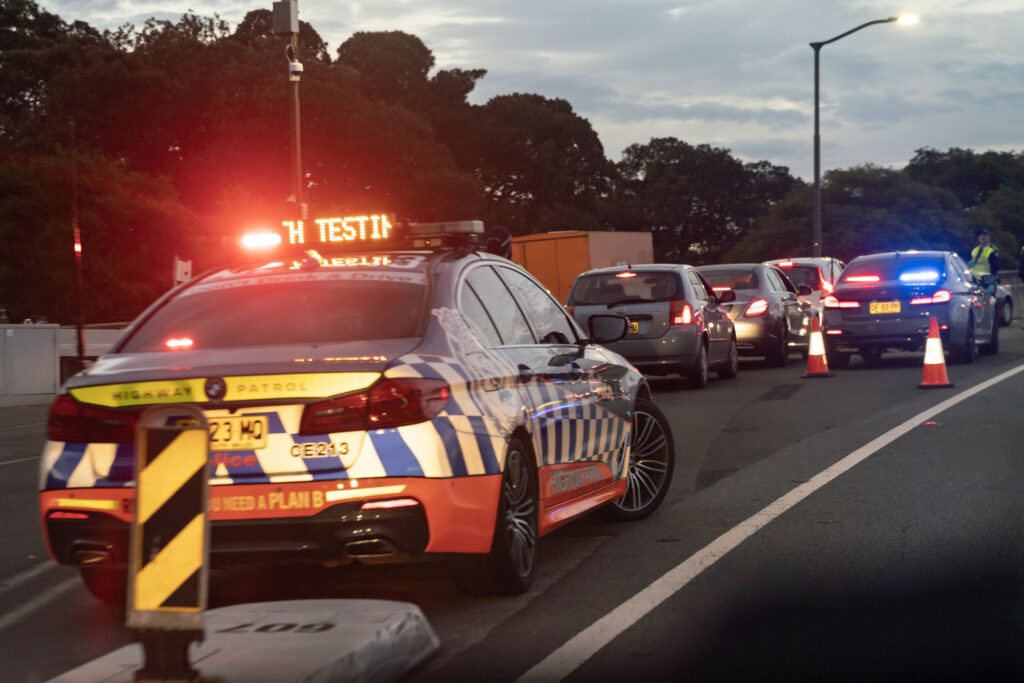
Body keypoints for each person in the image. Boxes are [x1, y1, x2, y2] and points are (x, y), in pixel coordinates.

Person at [968, 228, 999, 294]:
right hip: (975, 282)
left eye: (985, 235)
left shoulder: (992, 251)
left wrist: (993, 282)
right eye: (981, 235)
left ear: (989, 237)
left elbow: (995, 268)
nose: (982, 237)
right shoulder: (974, 250)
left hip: (987, 283)